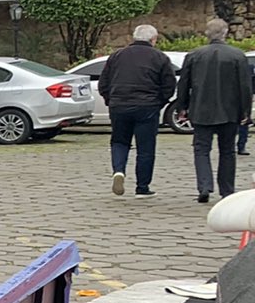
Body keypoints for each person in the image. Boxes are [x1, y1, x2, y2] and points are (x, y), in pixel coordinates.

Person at [176, 18, 255, 203]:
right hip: (229, 111)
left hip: (201, 110)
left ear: (207, 34)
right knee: (227, 150)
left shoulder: (194, 55)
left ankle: (204, 186)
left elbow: (184, 84)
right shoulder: (237, 56)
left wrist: (182, 107)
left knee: (201, 149)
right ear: (225, 33)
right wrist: (245, 111)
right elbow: (245, 86)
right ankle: (227, 189)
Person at [98, 23, 177, 197]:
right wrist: (159, 102)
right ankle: (142, 187)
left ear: (133, 37)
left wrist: (110, 100)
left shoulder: (117, 56)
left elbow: (103, 83)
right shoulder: (160, 57)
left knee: (119, 141)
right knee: (146, 148)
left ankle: (119, 170)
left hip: (119, 105)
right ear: (153, 39)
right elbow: (169, 85)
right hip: (147, 106)